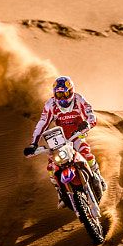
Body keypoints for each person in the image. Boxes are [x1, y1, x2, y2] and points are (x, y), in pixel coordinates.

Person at [24, 76, 106, 207]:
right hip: (60, 140)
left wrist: (87, 123)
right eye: (59, 94)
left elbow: (91, 115)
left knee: (86, 153)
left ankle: (98, 177)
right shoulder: (50, 104)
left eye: (65, 94)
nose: (62, 98)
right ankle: (61, 193)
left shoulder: (78, 99)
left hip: (77, 135)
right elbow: (42, 124)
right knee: (51, 166)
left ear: (71, 91)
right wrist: (33, 144)